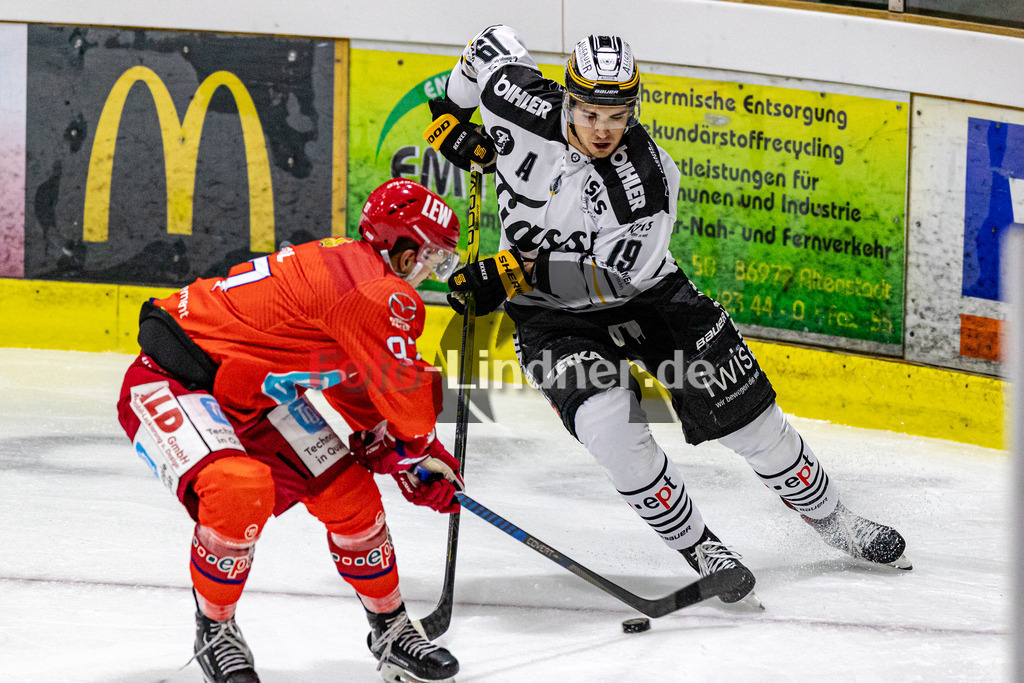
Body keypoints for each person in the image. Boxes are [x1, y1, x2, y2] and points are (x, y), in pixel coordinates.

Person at [424, 26, 910, 608]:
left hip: (649, 299)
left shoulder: (645, 181)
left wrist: (506, 275)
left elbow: (612, 279)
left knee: (751, 424)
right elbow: (490, 43)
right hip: (552, 319)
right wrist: (450, 117)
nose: (602, 130)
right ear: (567, 99)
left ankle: (833, 519)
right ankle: (702, 549)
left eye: (617, 116)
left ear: (634, 109)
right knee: (610, 430)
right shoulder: (517, 97)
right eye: (590, 113)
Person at [116, 178, 464, 683]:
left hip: (250, 394)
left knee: (350, 493)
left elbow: (349, 373)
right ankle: (215, 631)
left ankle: (391, 630)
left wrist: (394, 445)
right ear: (407, 252)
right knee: (239, 489)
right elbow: (406, 398)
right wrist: (413, 447)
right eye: (433, 257)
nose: (431, 272)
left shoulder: (352, 268)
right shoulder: (379, 291)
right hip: (174, 381)